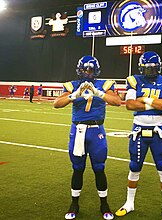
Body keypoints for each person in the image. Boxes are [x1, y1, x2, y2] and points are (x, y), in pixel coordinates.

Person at [53, 55, 121, 220]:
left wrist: (99, 93)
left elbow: (117, 101)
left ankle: (104, 203)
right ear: (79, 70)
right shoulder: (72, 86)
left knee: (99, 168)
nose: (88, 73)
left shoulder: (104, 84)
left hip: (96, 131)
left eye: (90, 69)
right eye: (85, 69)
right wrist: (74, 95)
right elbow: (56, 103)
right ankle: (74, 203)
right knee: (78, 169)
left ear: (96, 71)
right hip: (78, 131)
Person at [115, 51, 162, 220]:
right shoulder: (134, 80)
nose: (150, 71)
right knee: (134, 168)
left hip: (158, 131)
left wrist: (144, 99)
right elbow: (129, 105)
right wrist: (156, 104)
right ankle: (129, 203)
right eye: (147, 68)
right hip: (139, 132)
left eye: (153, 68)